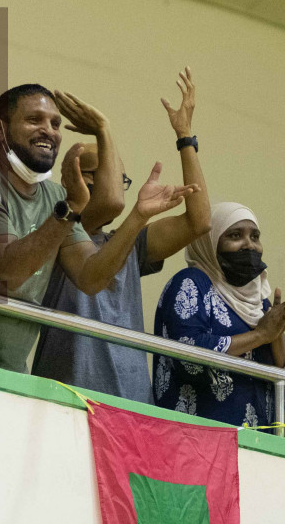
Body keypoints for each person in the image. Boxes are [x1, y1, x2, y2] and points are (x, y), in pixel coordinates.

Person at [0, 84, 196, 372]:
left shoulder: (54, 197)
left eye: (55, 123)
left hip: (10, 370)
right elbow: (9, 272)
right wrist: (71, 208)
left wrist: (139, 215)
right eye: (34, 120)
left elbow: (91, 276)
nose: (49, 131)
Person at [33, 68, 212, 401]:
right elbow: (112, 202)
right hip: (66, 395)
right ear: (73, 179)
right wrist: (104, 130)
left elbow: (199, 222)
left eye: (119, 178)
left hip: (130, 401)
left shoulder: (129, 242)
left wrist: (185, 138)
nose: (116, 184)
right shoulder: (58, 231)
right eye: (100, 173)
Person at [152, 202, 285, 430]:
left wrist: (276, 334)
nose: (250, 245)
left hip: (260, 449)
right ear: (210, 243)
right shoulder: (192, 282)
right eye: (235, 235)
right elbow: (188, 356)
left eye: (255, 236)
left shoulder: (260, 302)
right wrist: (261, 335)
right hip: (195, 441)